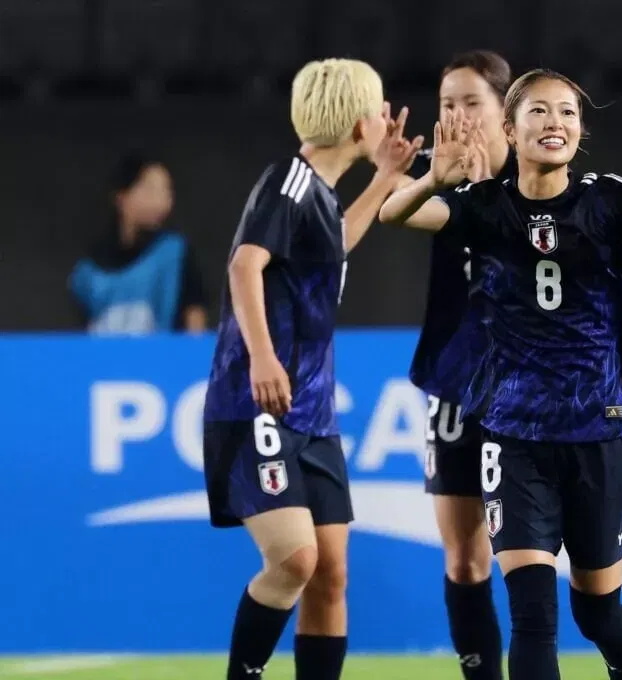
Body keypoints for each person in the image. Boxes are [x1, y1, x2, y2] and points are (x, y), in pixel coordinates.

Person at [380, 69, 622, 680]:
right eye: (540, 113)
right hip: (514, 431)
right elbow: (395, 214)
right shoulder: (485, 206)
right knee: (532, 615)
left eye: (568, 114)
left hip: (600, 428)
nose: (556, 124)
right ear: (509, 129)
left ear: (581, 130)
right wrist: (433, 180)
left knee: (598, 612)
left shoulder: (611, 199)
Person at [202, 58, 422, 680]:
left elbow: (333, 247)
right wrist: (264, 358)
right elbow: (245, 264)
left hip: (313, 413)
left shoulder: (318, 195)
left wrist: (383, 180)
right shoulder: (288, 182)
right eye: (380, 109)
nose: (387, 118)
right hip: (259, 406)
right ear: (359, 123)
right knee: (295, 560)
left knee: (330, 573)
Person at [401, 49, 516, 680]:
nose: (459, 115)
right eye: (448, 103)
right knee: (466, 558)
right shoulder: (431, 174)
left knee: (527, 557)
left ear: (505, 112)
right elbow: (396, 205)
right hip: (454, 384)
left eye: (473, 102)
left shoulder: (537, 174)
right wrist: (433, 177)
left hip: (530, 389)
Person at [69, 154, 208, 334]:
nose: (162, 201)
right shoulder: (88, 271)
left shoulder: (176, 254)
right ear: (121, 196)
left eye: (166, 191)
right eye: (150, 190)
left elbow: (195, 320)